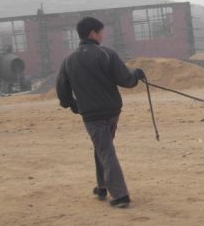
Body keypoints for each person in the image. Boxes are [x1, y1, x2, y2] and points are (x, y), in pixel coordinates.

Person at [56, 16, 146, 208]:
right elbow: (126, 81)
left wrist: (72, 105)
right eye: (100, 32)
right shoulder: (107, 54)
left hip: (91, 115)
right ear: (92, 33)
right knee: (104, 149)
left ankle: (116, 192)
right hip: (112, 111)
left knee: (104, 149)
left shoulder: (69, 60)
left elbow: (62, 91)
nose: (102, 35)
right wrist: (136, 75)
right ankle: (110, 190)